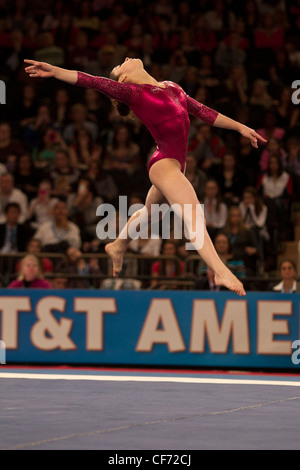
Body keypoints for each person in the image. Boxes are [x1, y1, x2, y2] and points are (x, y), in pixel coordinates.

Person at [24, 57, 267, 295]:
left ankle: (117, 245)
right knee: (193, 216)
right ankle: (220, 270)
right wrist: (55, 71)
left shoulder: (173, 87)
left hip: (173, 164)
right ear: (124, 77)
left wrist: (240, 127)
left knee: (150, 213)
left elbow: (204, 112)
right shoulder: (133, 93)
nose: (126, 58)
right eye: (120, 64)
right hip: (164, 165)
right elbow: (93, 81)